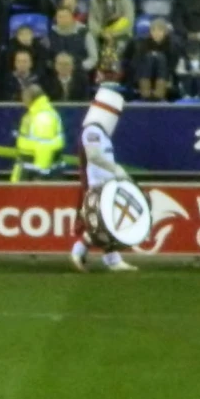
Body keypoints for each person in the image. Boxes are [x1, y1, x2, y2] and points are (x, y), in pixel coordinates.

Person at [71, 80, 138, 273]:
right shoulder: (92, 130)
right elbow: (93, 156)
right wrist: (116, 169)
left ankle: (111, 259)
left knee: (108, 223)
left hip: (106, 184)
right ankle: (79, 251)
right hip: (96, 185)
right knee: (103, 224)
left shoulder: (101, 133)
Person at [12, 75, 64, 180]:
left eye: (23, 96)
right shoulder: (36, 113)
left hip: (32, 173)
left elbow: (44, 147)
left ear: (29, 97)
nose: (22, 100)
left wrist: (40, 176)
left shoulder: (43, 117)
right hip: (28, 168)